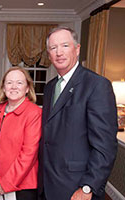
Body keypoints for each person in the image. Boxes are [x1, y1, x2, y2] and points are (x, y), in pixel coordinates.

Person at [38, 26, 118, 200]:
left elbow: (105, 146)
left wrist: (88, 187)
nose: (59, 52)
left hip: (77, 187)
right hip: (47, 183)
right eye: (53, 48)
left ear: (77, 48)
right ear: (49, 54)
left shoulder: (97, 85)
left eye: (65, 45)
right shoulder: (50, 87)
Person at [0, 66, 42, 200]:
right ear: (3, 87)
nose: (13, 87)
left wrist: (6, 183)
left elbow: (28, 154)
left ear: (27, 88)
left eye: (19, 83)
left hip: (22, 185)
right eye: (9, 82)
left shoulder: (34, 113)